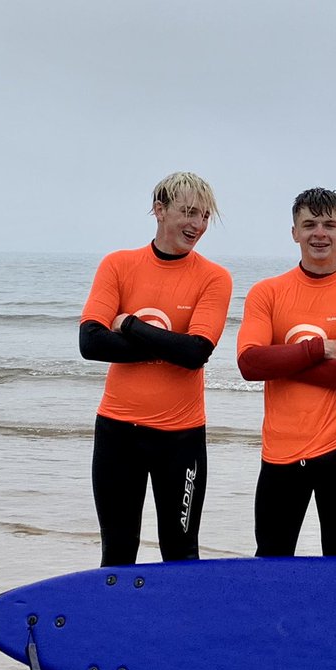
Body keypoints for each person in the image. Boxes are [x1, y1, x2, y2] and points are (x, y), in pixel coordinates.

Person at [79, 172, 232, 566]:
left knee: (181, 553)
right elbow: (91, 343)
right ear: (160, 211)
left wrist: (130, 325)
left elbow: (196, 352)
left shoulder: (214, 277)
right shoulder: (119, 265)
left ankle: (182, 628)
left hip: (180, 439)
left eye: (204, 216)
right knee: (117, 550)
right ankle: (117, 626)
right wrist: (169, 346)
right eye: (188, 212)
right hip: (117, 432)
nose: (196, 225)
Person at [236, 188, 336, 556]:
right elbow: (250, 363)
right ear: (294, 232)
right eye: (310, 224)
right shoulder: (266, 292)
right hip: (280, 452)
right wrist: (317, 349)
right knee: (271, 557)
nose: (320, 233)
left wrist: (283, 362)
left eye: (329, 225)